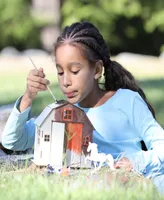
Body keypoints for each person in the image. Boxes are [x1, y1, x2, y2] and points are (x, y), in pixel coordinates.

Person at [2, 21, 164, 193]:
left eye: (75, 71)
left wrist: (135, 161)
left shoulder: (127, 101)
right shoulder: (61, 114)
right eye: (60, 72)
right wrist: (28, 97)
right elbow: (12, 141)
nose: (65, 82)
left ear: (97, 69)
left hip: (132, 182)